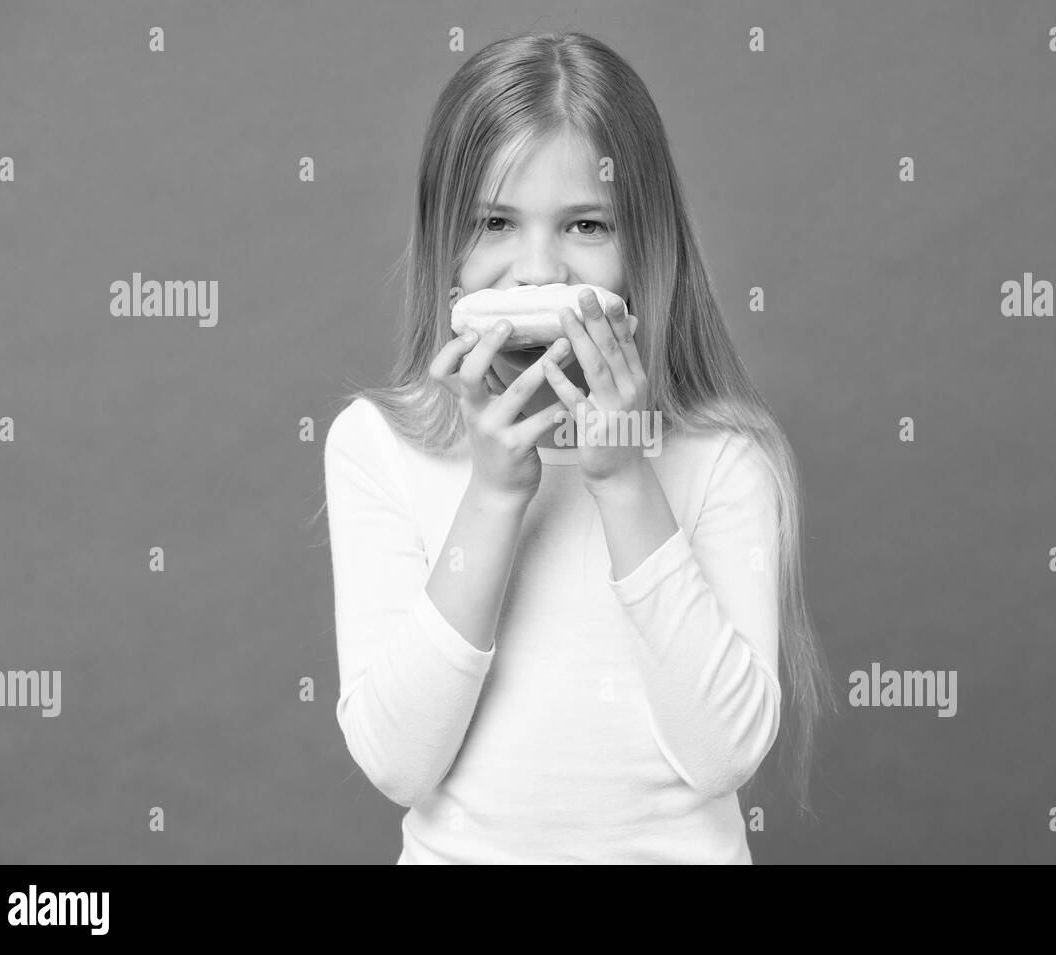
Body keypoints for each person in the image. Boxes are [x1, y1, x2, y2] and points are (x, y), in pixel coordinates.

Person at [322, 30, 838, 863]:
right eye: (494, 222)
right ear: (446, 250)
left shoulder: (725, 456)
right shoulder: (377, 447)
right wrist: (493, 495)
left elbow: (724, 753)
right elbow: (397, 759)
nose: (536, 270)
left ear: (646, 252)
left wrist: (625, 476)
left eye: (586, 225)